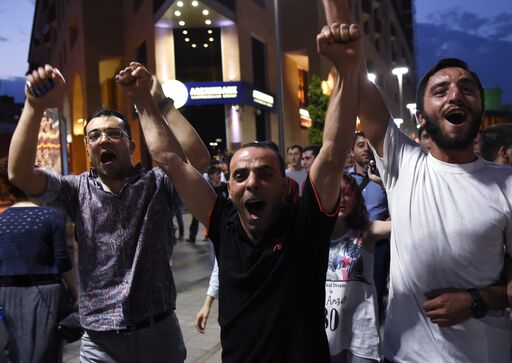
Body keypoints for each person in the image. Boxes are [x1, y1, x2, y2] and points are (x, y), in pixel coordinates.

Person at [322, 2, 512, 362]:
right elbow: (356, 69)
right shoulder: (403, 163)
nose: (455, 95)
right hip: (405, 357)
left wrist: (475, 300)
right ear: (421, 116)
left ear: (478, 107)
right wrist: (345, 46)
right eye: (440, 91)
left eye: (466, 89)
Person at [127, 22, 362, 361]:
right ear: (230, 186)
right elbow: (170, 160)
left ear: (284, 185)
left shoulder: (305, 224)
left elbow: (334, 149)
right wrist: (143, 101)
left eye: (265, 173)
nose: (252, 182)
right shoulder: (223, 220)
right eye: (241, 175)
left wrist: (345, 68)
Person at [8, 64, 210, 362]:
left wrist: (157, 102)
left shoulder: (157, 183)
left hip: (158, 333)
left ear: (130, 144)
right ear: (88, 149)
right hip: (100, 343)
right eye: (94, 136)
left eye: (113, 133)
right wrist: (34, 106)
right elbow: (20, 174)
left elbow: (198, 159)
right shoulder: (75, 190)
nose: (103, 139)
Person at [0, 157, 76, 363]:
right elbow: (62, 259)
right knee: (46, 351)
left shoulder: (1, 220)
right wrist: (75, 291)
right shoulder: (51, 216)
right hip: (46, 292)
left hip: (6, 295)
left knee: (13, 351)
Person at [326, 172, 391, 363]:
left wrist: (385, 185)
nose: (342, 199)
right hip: (327, 333)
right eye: (336, 193)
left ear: (356, 198)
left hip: (362, 333)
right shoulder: (314, 234)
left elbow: (404, 223)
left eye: (347, 194)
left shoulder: (367, 232)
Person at [346, 131, 390, 318]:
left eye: (369, 145)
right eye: (361, 145)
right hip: (350, 244)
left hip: (379, 245)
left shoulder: (388, 178)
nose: (366, 149)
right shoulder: (344, 180)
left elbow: (398, 206)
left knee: (376, 287)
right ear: (352, 151)